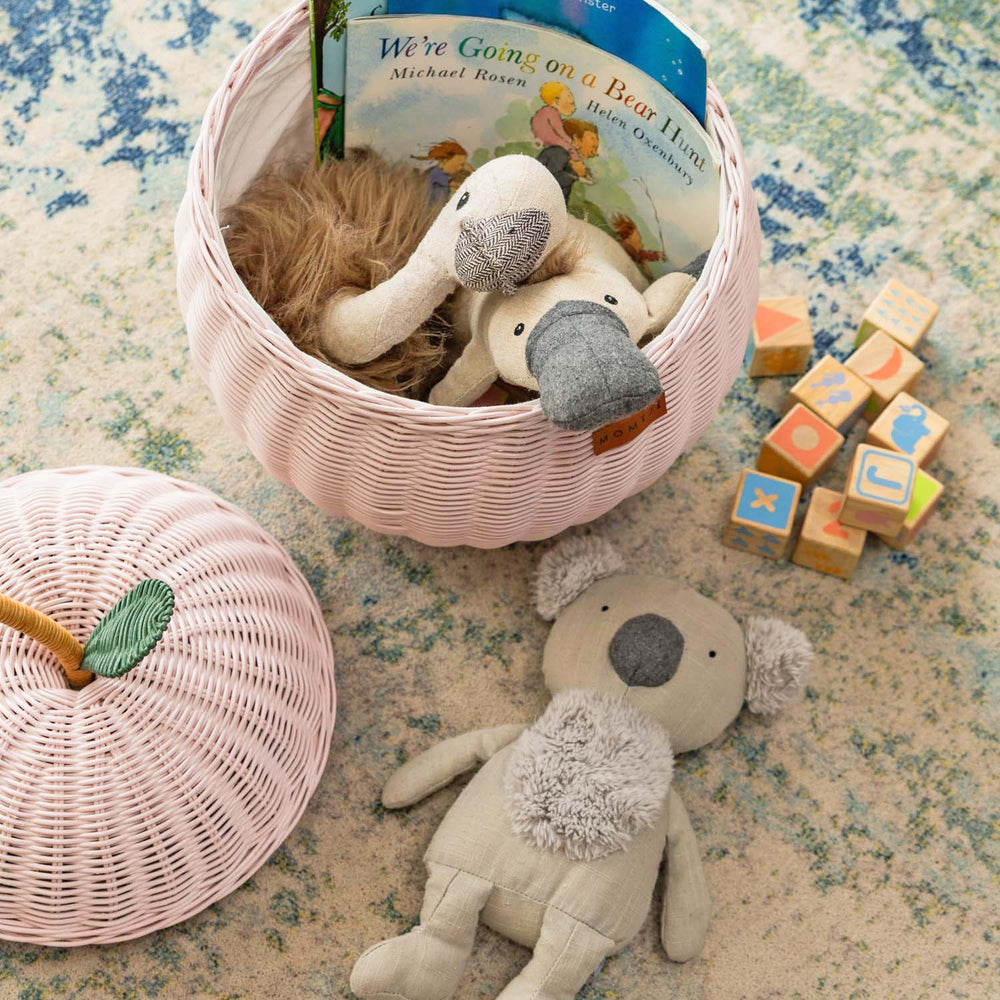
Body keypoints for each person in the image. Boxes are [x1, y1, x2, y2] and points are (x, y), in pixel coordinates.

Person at [530, 82, 587, 180]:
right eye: (568, 95)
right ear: (556, 100)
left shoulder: (543, 113)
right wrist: (576, 156)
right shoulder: (551, 112)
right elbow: (562, 136)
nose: (571, 99)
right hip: (557, 150)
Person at [537, 119, 599, 203]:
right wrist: (578, 178)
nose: (595, 153)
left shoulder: (568, 158)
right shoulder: (559, 153)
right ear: (576, 139)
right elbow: (551, 178)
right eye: (593, 147)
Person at [611, 214, 667, 280]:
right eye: (639, 241)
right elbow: (641, 255)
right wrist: (657, 255)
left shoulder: (625, 245)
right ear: (628, 239)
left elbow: (641, 254)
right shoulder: (627, 248)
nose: (642, 245)